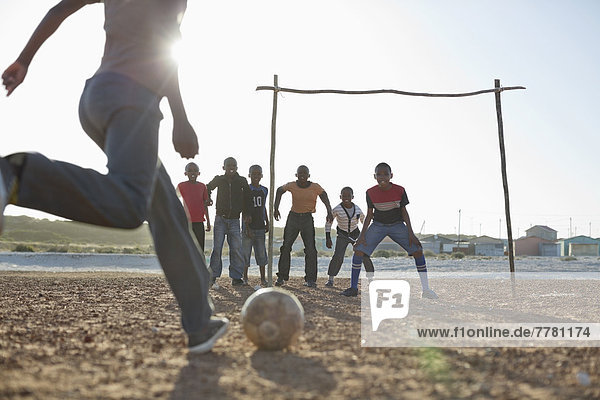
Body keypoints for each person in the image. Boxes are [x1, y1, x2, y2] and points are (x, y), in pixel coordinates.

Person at [0, 0, 228, 353]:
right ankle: (19, 175)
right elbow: (166, 50)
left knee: (164, 208)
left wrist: (24, 60)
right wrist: (181, 119)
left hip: (96, 98)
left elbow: (60, 9)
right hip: (132, 100)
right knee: (128, 206)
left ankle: (199, 323)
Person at [340, 162, 438, 299]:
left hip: (397, 224)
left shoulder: (400, 190)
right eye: (379, 174)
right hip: (378, 225)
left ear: (391, 175)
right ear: (374, 176)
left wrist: (411, 234)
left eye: (385, 174)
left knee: (417, 250)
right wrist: (361, 236)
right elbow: (369, 215)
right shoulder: (370, 192)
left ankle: (426, 290)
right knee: (359, 250)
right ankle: (353, 288)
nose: (382, 177)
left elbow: (404, 212)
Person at [274, 165, 333, 288]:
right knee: (286, 247)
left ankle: (310, 279)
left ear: (308, 176)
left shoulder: (315, 187)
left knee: (310, 249)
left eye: (304, 174)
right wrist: (276, 208)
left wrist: (329, 211)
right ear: (296, 175)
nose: (302, 176)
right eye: (300, 173)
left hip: (307, 219)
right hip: (293, 218)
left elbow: (324, 195)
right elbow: (279, 190)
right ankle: (281, 277)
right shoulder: (292, 185)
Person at [206, 157, 250, 288]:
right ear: (223, 167)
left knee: (236, 248)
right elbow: (207, 187)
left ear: (237, 167)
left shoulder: (242, 181)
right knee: (217, 248)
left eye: (234, 165)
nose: (231, 167)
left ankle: (236, 277)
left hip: (235, 220)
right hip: (220, 219)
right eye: (228, 165)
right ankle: (212, 277)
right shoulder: (219, 179)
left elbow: (248, 196)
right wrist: (208, 198)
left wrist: (247, 213)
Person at [324, 186, 374, 287]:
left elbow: (364, 220)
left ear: (353, 197)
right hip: (342, 235)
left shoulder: (357, 209)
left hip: (356, 234)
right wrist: (328, 238)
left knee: (365, 255)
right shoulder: (337, 209)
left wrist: (366, 235)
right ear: (340, 197)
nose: (346, 197)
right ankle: (331, 279)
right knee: (338, 256)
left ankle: (370, 279)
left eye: (348, 195)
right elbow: (328, 223)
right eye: (344, 195)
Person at [242, 165, 269, 289]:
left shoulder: (264, 190)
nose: (256, 176)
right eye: (253, 174)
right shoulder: (246, 189)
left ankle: (263, 278)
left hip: (260, 225)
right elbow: (244, 209)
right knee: (246, 253)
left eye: (258, 174)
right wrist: (246, 227)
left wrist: (267, 221)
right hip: (249, 226)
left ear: (262, 175)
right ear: (249, 175)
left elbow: (263, 207)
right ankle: (245, 277)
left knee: (261, 253)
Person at [177, 162, 211, 251]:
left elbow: (205, 205)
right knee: (186, 248)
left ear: (199, 173)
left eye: (195, 171)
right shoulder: (181, 185)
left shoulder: (202, 186)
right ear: (185, 173)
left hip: (199, 223)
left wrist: (208, 221)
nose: (193, 173)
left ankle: (200, 265)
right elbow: (173, 199)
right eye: (190, 171)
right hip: (185, 223)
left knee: (199, 248)